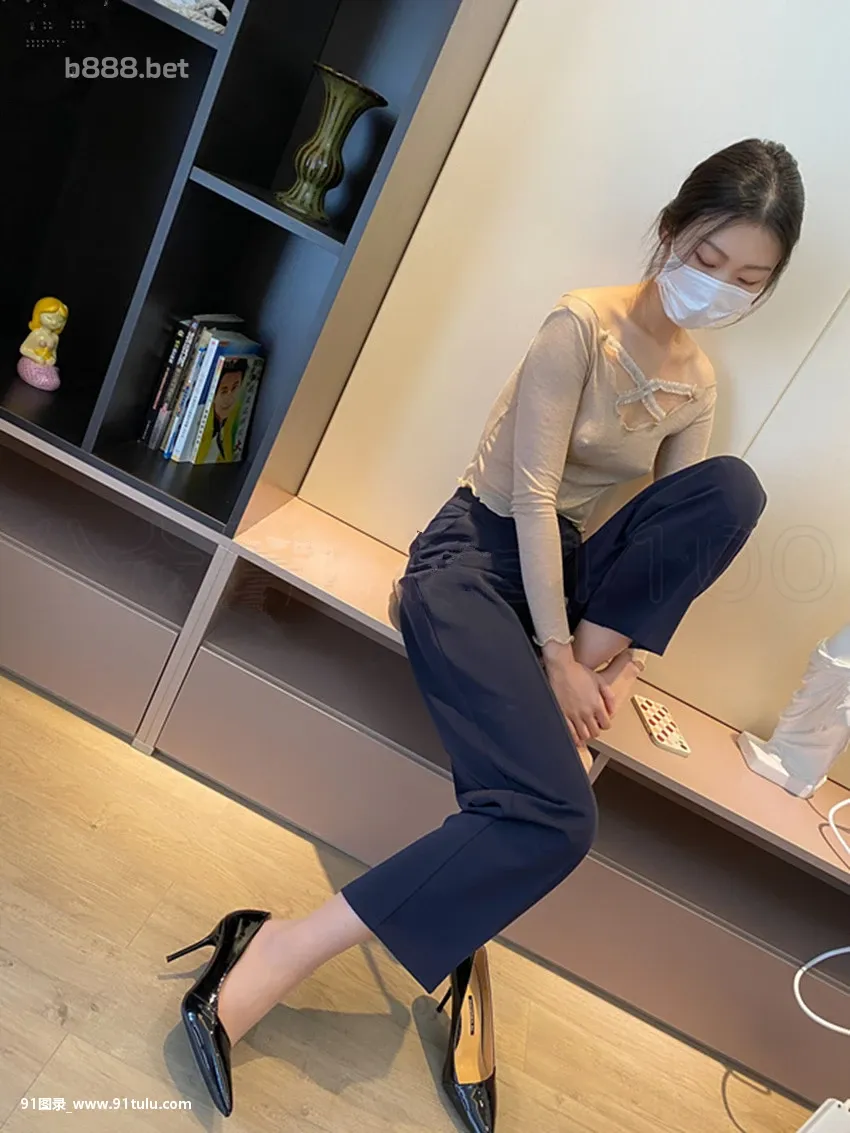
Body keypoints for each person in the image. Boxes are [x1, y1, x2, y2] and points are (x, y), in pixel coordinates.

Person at [165, 138, 805, 1130]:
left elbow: (671, 534)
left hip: (570, 587)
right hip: (473, 555)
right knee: (558, 815)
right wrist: (558, 659)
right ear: (673, 230)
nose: (720, 287)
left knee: (730, 490)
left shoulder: (700, 382)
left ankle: (362, 937)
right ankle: (286, 947)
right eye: (708, 258)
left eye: (749, 280)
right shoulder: (579, 324)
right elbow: (533, 495)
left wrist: (618, 659)